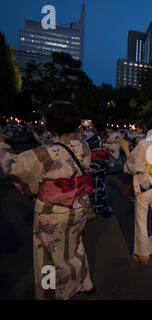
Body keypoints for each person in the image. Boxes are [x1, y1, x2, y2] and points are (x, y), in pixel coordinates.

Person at [0, 102, 95, 299]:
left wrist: (2, 145)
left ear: (50, 126)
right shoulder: (84, 146)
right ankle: (84, 282)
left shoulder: (46, 153)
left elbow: (14, 168)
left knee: (48, 256)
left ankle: (50, 294)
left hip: (54, 211)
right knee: (75, 243)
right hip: (79, 205)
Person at [119, 112, 152, 264]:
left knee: (142, 218)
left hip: (146, 184)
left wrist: (126, 149)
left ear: (146, 126)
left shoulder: (143, 144)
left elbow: (133, 167)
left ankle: (143, 253)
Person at [83, 115, 113, 216]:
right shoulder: (106, 135)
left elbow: (83, 145)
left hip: (95, 165)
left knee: (92, 187)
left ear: (94, 126)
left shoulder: (94, 137)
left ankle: (94, 210)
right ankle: (105, 206)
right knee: (101, 185)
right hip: (104, 163)